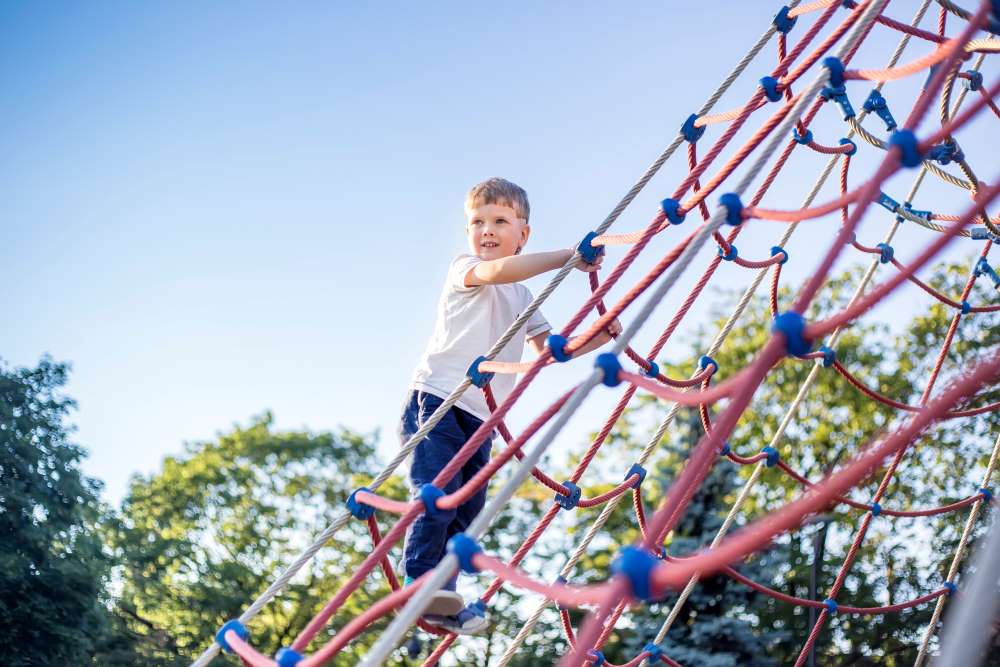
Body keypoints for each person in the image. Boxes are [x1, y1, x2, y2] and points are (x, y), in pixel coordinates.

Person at [401, 177, 621, 634]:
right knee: (437, 497)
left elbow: (547, 348)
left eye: (500, 221)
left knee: (467, 512)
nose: (486, 230)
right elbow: (498, 272)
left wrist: (596, 337)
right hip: (439, 399)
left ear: (523, 234)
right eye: (477, 222)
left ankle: (442, 596)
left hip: (481, 418)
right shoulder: (466, 268)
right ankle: (417, 584)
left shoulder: (523, 295)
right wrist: (568, 257)